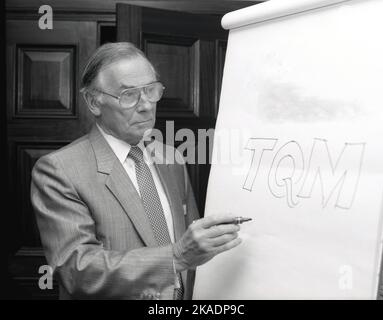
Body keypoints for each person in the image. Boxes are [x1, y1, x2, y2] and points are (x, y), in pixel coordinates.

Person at [30, 42, 242, 300]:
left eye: (151, 90)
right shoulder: (60, 170)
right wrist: (176, 256)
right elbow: (77, 271)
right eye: (129, 94)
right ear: (93, 102)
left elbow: (194, 250)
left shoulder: (171, 157)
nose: (146, 105)